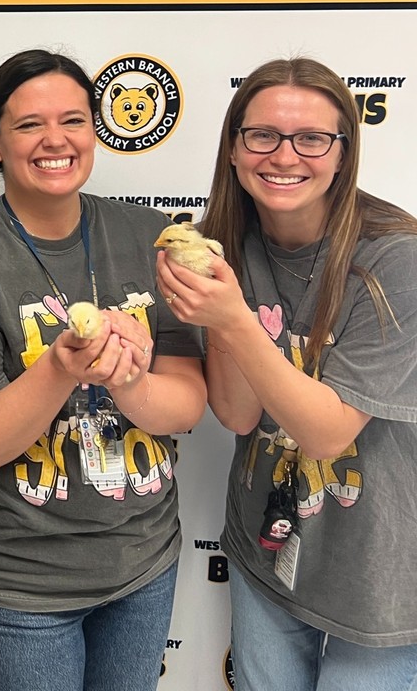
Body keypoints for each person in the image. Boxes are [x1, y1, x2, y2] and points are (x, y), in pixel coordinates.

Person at [0, 49, 206, 691]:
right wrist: (59, 367)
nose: (56, 140)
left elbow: (185, 408)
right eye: (28, 126)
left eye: (74, 120)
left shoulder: (151, 237)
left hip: (141, 564)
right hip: (17, 584)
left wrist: (128, 378)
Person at [157, 57, 417, 691]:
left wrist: (235, 319)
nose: (285, 156)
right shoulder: (222, 244)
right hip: (267, 546)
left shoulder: (396, 258)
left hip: (380, 562)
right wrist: (220, 307)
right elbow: (241, 415)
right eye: (263, 135)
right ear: (235, 147)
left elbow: (329, 433)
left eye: (312, 138)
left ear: (342, 153)